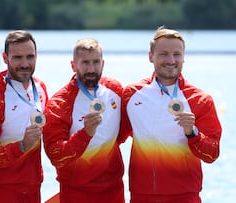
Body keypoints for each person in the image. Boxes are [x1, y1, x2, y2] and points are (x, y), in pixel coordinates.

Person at [118, 26, 222, 203]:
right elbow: (113, 139)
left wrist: (192, 132)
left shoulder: (201, 100)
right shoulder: (132, 94)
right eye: (164, 54)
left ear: (183, 57)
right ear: (151, 57)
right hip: (142, 196)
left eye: (177, 54)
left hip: (184, 196)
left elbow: (211, 155)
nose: (171, 60)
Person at [42, 38, 125, 203]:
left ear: (103, 63)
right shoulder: (60, 103)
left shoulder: (115, 89)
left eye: (95, 62)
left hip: (113, 190)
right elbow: (56, 156)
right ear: (73, 65)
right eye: (85, 63)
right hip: (77, 193)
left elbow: (124, 131)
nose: (91, 69)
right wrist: (85, 134)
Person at [0, 30, 48, 203]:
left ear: (37, 56)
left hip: (33, 189)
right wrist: (21, 146)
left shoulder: (40, 88)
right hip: (0, 192)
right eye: (17, 57)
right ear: (5, 58)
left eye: (30, 56)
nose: (25, 64)